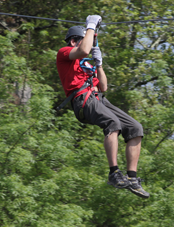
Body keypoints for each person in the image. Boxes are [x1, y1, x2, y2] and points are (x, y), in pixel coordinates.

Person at [56, 14, 149, 198]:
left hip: (98, 97)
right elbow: (83, 50)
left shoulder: (85, 64)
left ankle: (132, 177)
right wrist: (91, 25)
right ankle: (114, 173)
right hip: (82, 99)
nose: (88, 46)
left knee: (135, 128)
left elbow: (104, 86)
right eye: (85, 40)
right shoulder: (65, 53)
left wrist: (99, 64)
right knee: (112, 123)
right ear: (75, 41)